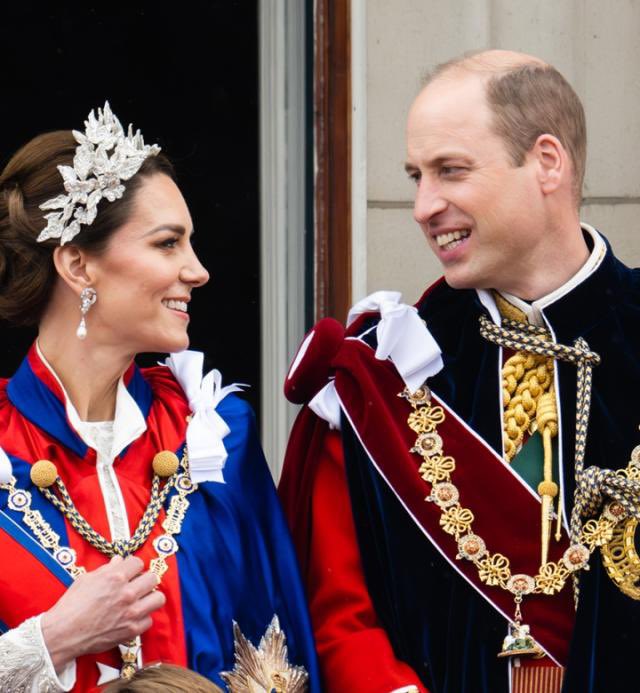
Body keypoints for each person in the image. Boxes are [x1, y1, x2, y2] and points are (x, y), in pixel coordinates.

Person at [279, 49, 640, 692]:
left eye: (451, 171)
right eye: (417, 175)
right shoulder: (382, 369)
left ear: (546, 163)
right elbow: (340, 617)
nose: (423, 206)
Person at [0, 102, 319, 692]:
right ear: (77, 264)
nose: (197, 271)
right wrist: (52, 640)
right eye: (168, 244)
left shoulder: (217, 435)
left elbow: (284, 648)